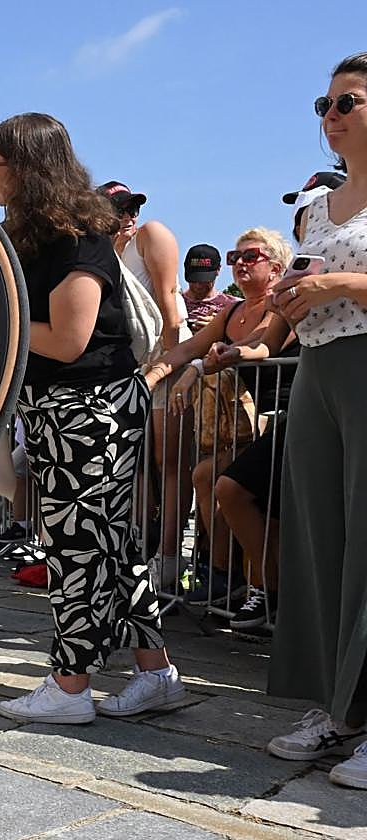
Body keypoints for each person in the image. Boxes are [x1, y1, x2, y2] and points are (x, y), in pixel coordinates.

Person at [0, 113, 185, 725]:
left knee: (76, 551)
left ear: (24, 167)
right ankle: (156, 672)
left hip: (89, 407)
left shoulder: (79, 237)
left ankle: (70, 686)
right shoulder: (34, 238)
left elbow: (69, 338)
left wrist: (3, 323)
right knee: (113, 549)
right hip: (67, 408)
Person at [264, 52, 367, 791]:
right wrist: (289, 297)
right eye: (324, 105)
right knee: (319, 538)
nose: (330, 117)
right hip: (317, 371)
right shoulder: (316, 207)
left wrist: (337, 281)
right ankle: (341, 705)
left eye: (348, 103)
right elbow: (302, 282)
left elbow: (336, 281)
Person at [146, 229, 294, 607]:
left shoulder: (280, 303)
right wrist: (144, 381)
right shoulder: (232, 311)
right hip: (259, 426)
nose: (240, 264)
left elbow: (254, 346)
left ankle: (262, 585)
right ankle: (225, 575)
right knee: (204, 476)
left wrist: (197, 369)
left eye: (250, 257)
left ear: (276, 268)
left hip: (286, 419)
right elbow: (186, 349)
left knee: (226, 486)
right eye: (235, 257)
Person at [98, 180, 193, 589]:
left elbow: (170, 306)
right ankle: (137, 554)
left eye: (131, 207)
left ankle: (169, 562)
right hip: (133, 370)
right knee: (135, 468)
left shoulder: (151, 235)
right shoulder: (102, 251)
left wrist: (171, 371)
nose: (129, 216)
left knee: (168, 464)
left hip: (167, 362)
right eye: (120, 208)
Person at [181, 244, 238, 332]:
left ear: (218, 270)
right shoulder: (173, 304)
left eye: (204, 280)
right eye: (194, 279)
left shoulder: (234, 306)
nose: (198, 285)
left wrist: (220, 328)